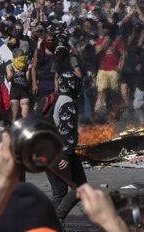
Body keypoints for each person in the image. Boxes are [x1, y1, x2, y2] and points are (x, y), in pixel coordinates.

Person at [45, 34, 88, 222]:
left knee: (59, 192)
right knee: (80, 188)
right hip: (61, 153)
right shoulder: (67, 102)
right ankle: (56, 219)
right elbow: (66, 131)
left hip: (48, 151)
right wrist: (66, 154)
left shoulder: (56, 99)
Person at [6, 48, 30, 123]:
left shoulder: (25, 66)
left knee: (25, 114)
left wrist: (29, 70)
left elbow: (28, 79)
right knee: (14, 115)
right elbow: (8, 79)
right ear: (15, 56)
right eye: (21, 56)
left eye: (23, 55)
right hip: (15, 91)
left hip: (24, 91)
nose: (22, 58)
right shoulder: (10, 66)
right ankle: (14, 130)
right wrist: (11, 73)